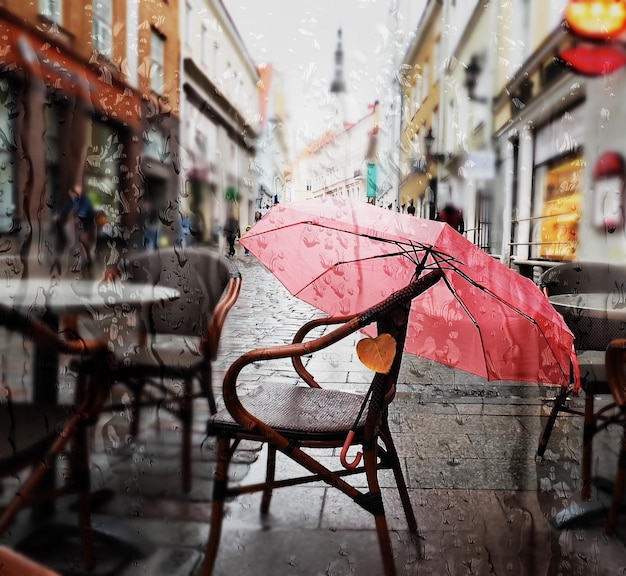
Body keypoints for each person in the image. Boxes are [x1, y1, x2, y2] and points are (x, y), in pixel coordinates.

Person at [54, 184, 96, 277]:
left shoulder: (85, 200)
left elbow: (85, 209)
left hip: (88, 223)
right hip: (81, 223)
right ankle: (84, 257)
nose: (73, 196)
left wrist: (79, 217)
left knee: (84, 239)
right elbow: (67, 206)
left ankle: (90, 257)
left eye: (75, 193)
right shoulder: (75, 200)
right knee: (79, 239)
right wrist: (59, 214)